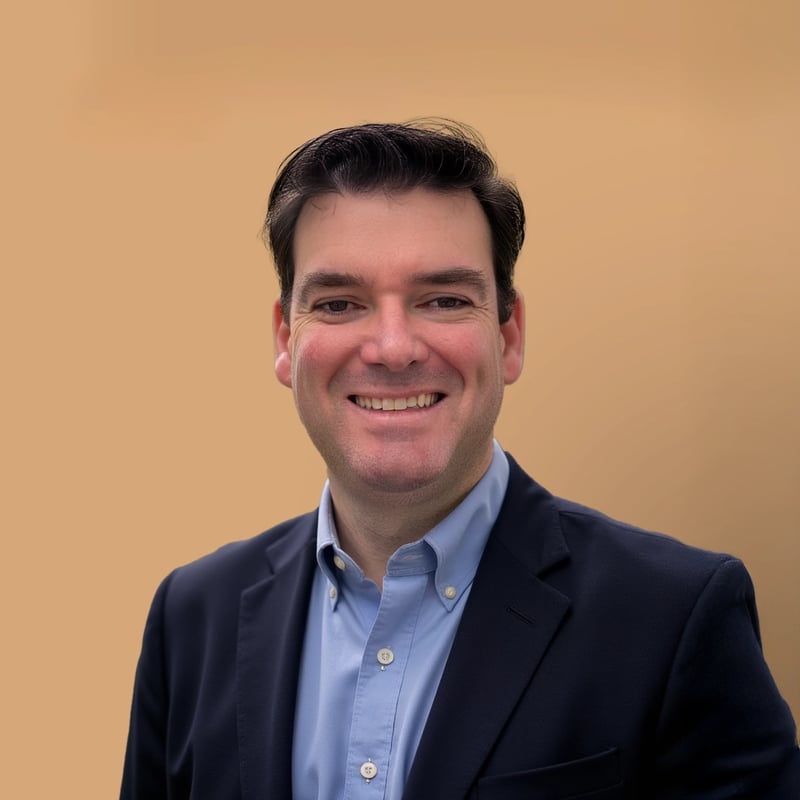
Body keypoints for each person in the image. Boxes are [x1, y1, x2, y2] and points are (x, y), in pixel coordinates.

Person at [121, 121, 800, 799]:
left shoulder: (673, 618)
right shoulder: (192, 620)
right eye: (339, 303)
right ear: (285, 339)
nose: (393, 348)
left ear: (509, 336)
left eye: (444, 300)